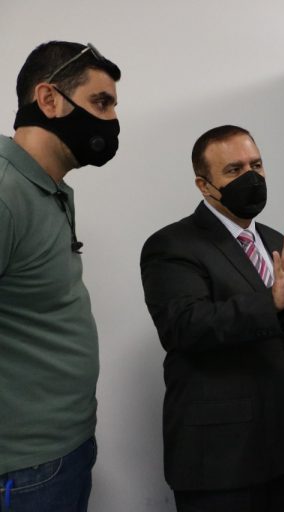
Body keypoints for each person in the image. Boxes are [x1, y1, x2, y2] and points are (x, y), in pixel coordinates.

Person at [140, 125, 284, 512]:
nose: (251, 177)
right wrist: (270, 302)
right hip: (222, 458)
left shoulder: (275, 241)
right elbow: (184, 326)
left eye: (256, 165)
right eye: (234, 170)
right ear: (204, 185)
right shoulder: (172, 245)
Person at [0, 41, 121, 512]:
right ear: (49, 100)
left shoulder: (51, 189)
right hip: (25, 468)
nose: (111, 120)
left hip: (62, 450)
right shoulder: (5, 193)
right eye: (101, 102)